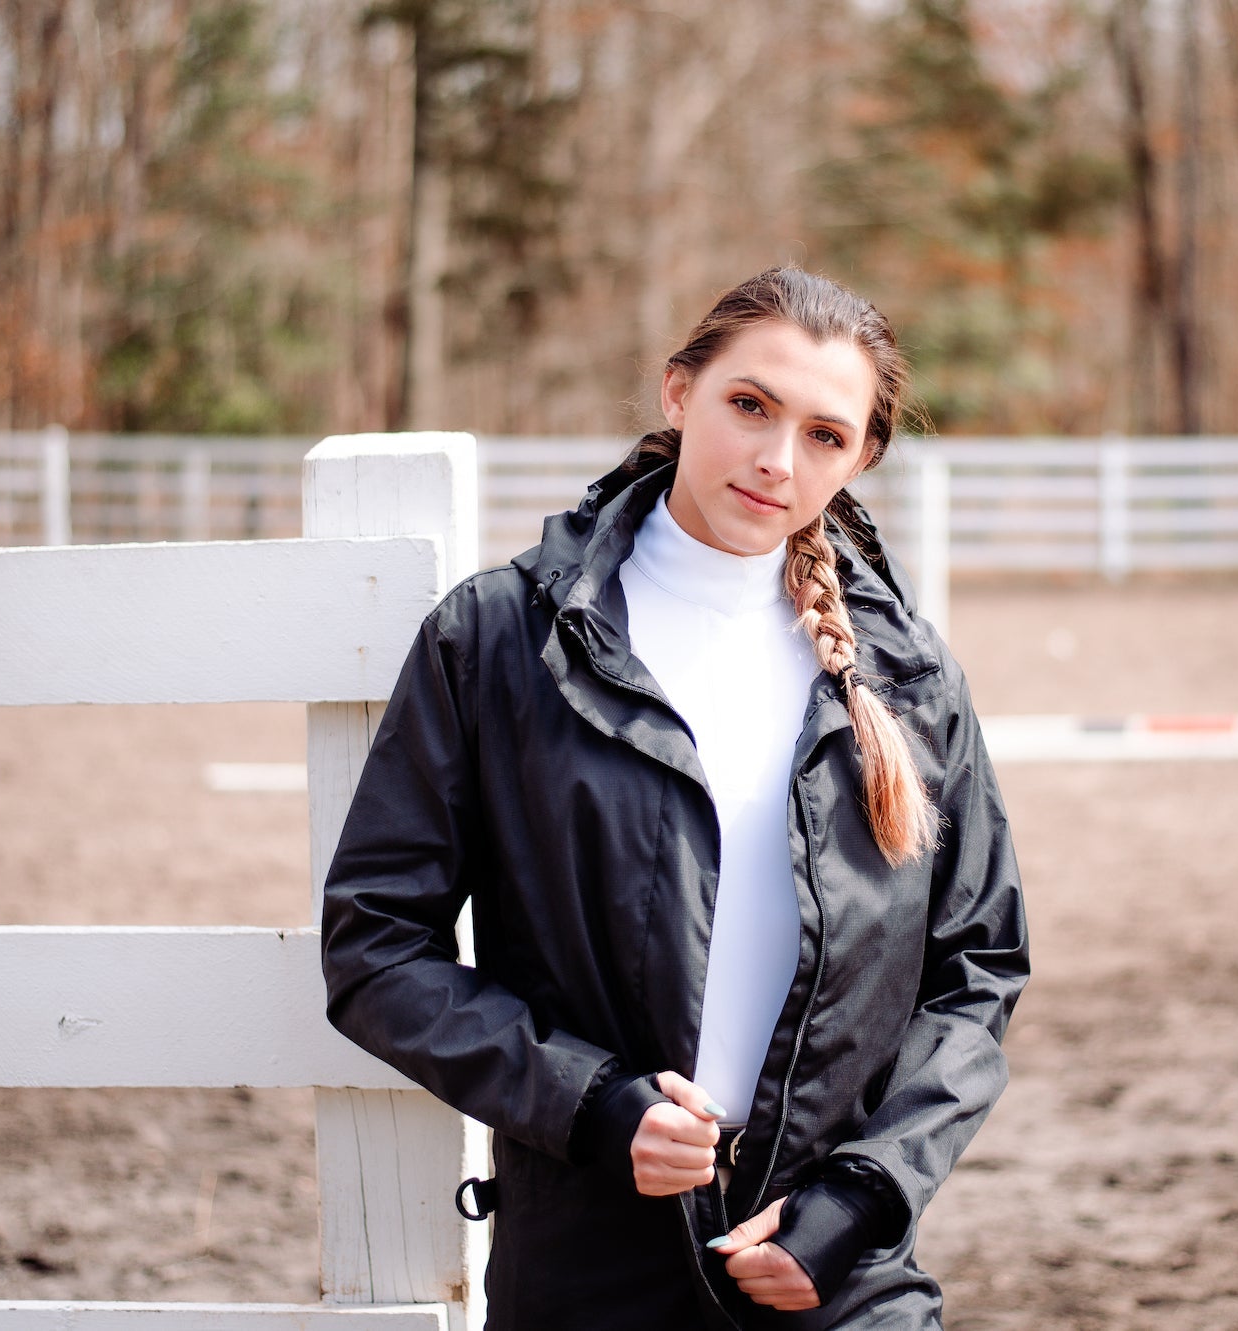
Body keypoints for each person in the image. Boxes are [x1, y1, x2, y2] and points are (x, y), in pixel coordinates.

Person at [320, 266, 1029, 1330]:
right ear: (677, 391)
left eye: (824, 435)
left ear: (860, 457)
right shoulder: (499, 641)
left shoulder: (909, 676)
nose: (776, 458)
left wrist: (865, 1194)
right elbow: (375, 947)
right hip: (589, 1260)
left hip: (834, 1274)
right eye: (749, 404)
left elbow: (977, 968)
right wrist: (593, 1102)